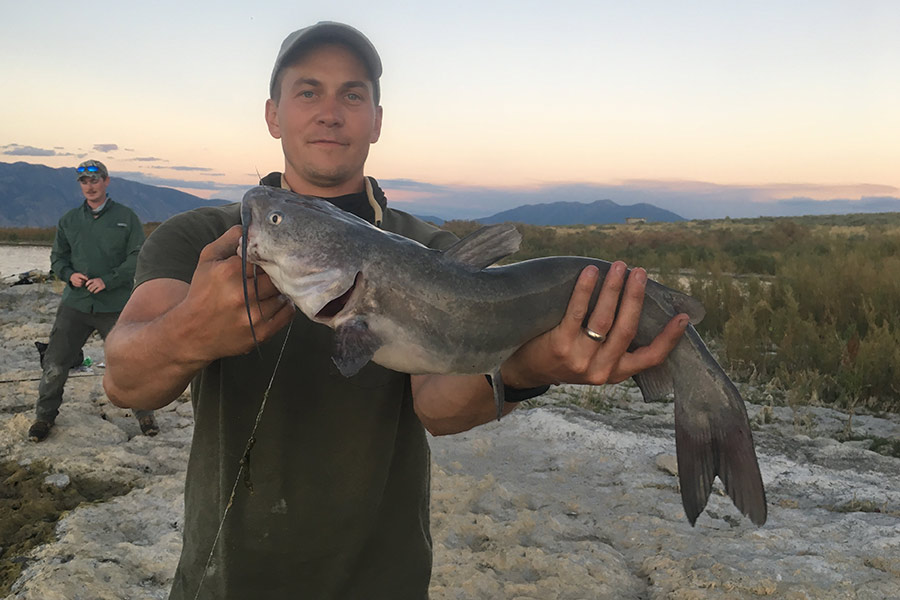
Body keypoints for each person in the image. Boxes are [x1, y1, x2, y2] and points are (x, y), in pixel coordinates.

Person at [103, 22, 689, 599]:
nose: (330, 112)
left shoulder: (433, 253)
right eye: (308, 91)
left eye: (352, 94)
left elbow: (438, 406)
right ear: (273, 114)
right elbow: (126, 381)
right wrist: (189, 333)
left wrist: (529, 370)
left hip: (384, 580)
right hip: (227, 580)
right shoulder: (201, 239)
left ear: (376, 120)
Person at [29, 160, 158, 442]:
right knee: (55, 362)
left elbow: (138, 257)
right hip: (75, 304)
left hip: (114, 306)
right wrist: (68, 274)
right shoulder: (69, 221)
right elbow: (58, 259)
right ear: (80, 186)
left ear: (106, 181)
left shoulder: (126, 218)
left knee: (128, 362)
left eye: (95, 180)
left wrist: (108, 280)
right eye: (84, 182)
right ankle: (43, 417)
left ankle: (145, 414)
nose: (90, 186)